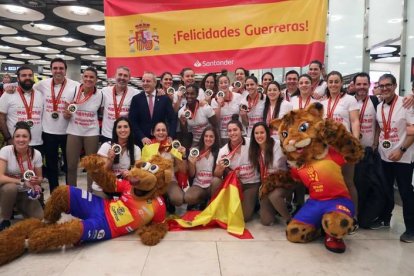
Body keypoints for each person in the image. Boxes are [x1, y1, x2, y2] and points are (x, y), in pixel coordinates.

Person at [375, 73, 414, 243]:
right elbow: (382, 128)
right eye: (381, 85)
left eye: (388, 85)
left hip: (403, 157)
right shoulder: (379, 106)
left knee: (406, 193)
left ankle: (411, 230)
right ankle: (385, 218)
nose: (384, 88)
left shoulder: (406, 103)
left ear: (395, 85)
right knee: (386, 189)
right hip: (385, 156)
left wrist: (402, 150)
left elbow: (412, 131)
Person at [34, 57, 79, 193]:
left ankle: (70, 194)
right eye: (55, 68)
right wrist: (10, 86)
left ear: (65, 70)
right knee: (52, 165)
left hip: (68, 132)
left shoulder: (76, 85)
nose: (58, 71)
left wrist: (72, 114)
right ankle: (55, 193)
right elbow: (27, 88)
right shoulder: (42, 84)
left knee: (69, 166)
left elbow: (81, 105)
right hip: (48, 132)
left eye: (61, 68)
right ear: (51, 70)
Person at [322, 71, 360, 225]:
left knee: (348, 181)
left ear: (341, 83)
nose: (333, 84)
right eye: (330, 82)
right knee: (330, 182)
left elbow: (355, 121)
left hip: (345, 147)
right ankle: (333, 212)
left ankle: (354, 215)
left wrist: (355, 143)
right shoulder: (324, 103)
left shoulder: (350, 100)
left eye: (336, 81)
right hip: (327, 148)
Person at [211, 117, 260, 221]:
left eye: (235, 130)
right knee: (215, 181)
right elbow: (216, 175)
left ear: (241, 130)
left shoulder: (252, 143)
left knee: (244, 217)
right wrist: (220, 169)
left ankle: (255, 202)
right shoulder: (223, 151)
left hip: (252, 183)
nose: (232, 133)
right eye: (229, 130)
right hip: (235, 185)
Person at [0, 121, 43, 231]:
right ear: (13, 138)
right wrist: (22, 181)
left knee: (39, 217)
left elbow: (40, 178)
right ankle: (5, 218)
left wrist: (35, 181)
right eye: (17, 136)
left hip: (25, 191)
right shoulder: (6, 151)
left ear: (30, 139)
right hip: (6, 190)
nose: (21, 139)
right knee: (10, 188)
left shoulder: (36, 154)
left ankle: (18, 207)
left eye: (24, 136)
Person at [64, 67, 103, 191]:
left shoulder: (100, 94)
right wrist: (67, 114)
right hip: (74, 131)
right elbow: (65, 111)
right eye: (86, 76)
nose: (88, 79)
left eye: (92, 77)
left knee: (91, 166)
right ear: (82, 77)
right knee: (71, 166)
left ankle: (90, 194)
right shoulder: (73, 90)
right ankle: (72, 195)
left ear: (96, 79)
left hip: (91, 132)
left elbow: (102, 111)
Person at [249, 122, 292, 225]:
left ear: (267, 133)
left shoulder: (279, 145)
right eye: (256, 133)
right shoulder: (254, 149)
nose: (259, 136)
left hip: (282, 181)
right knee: (266, 221)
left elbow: (293, 162)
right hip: (267, 185)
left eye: (262, 132)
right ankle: (276, 207)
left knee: (274, 196)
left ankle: (290, 220)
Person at [92, 117, 141, 197]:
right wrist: (110, 160)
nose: (122, 130)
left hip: (123, 186)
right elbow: (100, 172)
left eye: (125, 126)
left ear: (130, 129)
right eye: (119, 127)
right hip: (103, 187)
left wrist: (131, 173)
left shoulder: (136, 149)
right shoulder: (106, 146)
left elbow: (137, 170)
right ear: (115, 130)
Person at [0, 66, 43, 151]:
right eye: (24, 75)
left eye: (30, 75)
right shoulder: (8, 94)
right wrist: (8, 138)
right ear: (18, 78)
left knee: (36, 164)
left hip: (38, 143)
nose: (27, 77)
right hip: (16, 142)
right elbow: (1, 117)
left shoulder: (40, 94)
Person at [129, 71, 177, 147]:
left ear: (155, 83)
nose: (145, 83)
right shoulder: (136, 99)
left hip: (161, 141)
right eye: (143, 81)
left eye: (148, 81)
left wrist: (171, 136)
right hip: (142, 142)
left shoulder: (164, 99)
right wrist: (142, 137)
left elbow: (172, 119)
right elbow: (132, 121)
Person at [147, 122, 187, 209]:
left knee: (178, 199)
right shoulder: (148, 147)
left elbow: (182, 169)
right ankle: (163, 200)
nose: (161, 132)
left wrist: (182, 156)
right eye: (158, 130)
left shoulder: (172, 146)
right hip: (154, 181)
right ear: (153, 132)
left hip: (170, 180)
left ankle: (168, 199)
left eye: (163, 130)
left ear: (167, 132)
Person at [182, 126, 220, 208]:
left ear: (215, 138)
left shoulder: (218, 152)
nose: (208, 139)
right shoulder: (195, 151)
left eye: (211, 136)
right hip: (198, 185)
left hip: (211, 186)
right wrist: (191, 163)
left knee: (216, 181)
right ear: (203, 137)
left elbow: (219, 175)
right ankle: (202, 200)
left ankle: (211, 201)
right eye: (206, 136)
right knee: (187, 198)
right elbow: (192, 175)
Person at [100, 66, 140, 143]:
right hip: (108, 134)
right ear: (115, 76)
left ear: (129, 78)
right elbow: (100, 109)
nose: (122, 77)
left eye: (125, 76)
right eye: (120, 74)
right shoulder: (104, 91)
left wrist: (159, 93)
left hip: (125, 134)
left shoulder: (135, 93)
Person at [211, 74, 242, 144]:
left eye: (225, 82)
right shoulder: (214, 100)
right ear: (218, 85)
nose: (223, 84)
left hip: (238, 133)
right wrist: (219, 105)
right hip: (224, 135)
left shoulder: (238, 96)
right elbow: (216, 120)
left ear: (229, 83)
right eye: (221, 83)